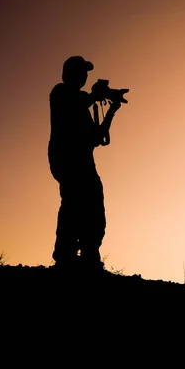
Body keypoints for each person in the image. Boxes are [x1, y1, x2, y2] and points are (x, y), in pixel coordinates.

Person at [48, 55, 123, 271]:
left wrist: (112, 110)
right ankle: (65, 257)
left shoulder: (82, 101)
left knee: (94, 206)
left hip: (83, 161)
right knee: (73, 203)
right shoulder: (60, 92)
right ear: (69, 74)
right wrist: (95, 95)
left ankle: (90, 255)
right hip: (66, 159)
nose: (84, 76)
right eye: (81, 72)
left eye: (85, 73)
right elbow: (73, 104)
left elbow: (96, 137)